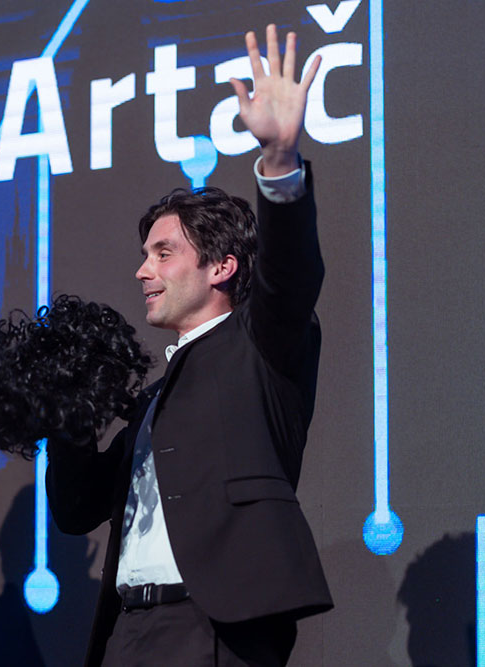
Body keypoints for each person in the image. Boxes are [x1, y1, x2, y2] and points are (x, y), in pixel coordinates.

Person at [46, 26, 333, 666]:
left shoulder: (263, 345)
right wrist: (66, 417)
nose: (142, 271)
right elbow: (76, 511)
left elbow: (291, 274)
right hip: (127, 630)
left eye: (163, 253)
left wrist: (280, 160)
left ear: (222, 266)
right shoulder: (154, 399)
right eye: (144, 255)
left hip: (216, 626)